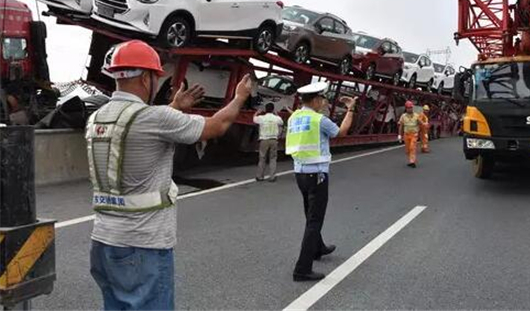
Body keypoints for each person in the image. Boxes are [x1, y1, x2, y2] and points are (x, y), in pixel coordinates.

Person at [86, 40, 252, 311]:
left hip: (104, 241)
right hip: (142, 245)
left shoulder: (97, 118)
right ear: (145, 78)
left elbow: (140, 132)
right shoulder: (155, 117)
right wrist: (240, 97)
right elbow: (217, 125)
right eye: (155, 76)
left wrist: (174, 106)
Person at [285, 82, 357, 281]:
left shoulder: (294, 117)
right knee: (314, 221)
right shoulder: (319, 120)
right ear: (316, 100)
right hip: (317, 175)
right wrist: (351, 109)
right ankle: (302, 269)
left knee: (310, 215)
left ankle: (318, 248)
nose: (324, 102)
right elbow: (341, 132)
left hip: (300, 173)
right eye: (323, 99)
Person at [253, 102, 284, 182]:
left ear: (265, 110)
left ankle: (259, 176)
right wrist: (276, 114)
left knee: (262, 158)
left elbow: (254, 119)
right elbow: (282, 123)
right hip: (273, 140)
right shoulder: (277, 118)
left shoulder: (261, 118)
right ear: (273, 109)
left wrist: (257, 112)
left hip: (264, 140)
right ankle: (272, 176)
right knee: (273, 158)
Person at [398, 100, 423, 168]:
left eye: (411, 107)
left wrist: (422, 128)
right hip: (406, 134)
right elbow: (401, 126)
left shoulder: (416, 116)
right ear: (406, 108)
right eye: (408, 108)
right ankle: (411, 160)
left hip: (414, 134)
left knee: (412, 147)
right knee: (407, 150)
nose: (410, 109)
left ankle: (412, 161)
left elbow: (421, 124)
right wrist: (399, 135)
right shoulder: (403, 116)